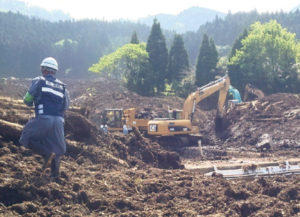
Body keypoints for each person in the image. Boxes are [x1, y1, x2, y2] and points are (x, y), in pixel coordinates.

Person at [19, 57, 70, 178]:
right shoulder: (63, 87)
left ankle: (46, 153)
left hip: (43, 119)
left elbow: (27, 100)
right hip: (58, 121)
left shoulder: (39, 81)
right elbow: (66, 106)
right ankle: (55, 177)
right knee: (58, 149)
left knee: (25, 138)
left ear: (43, 69)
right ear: (55, 71)